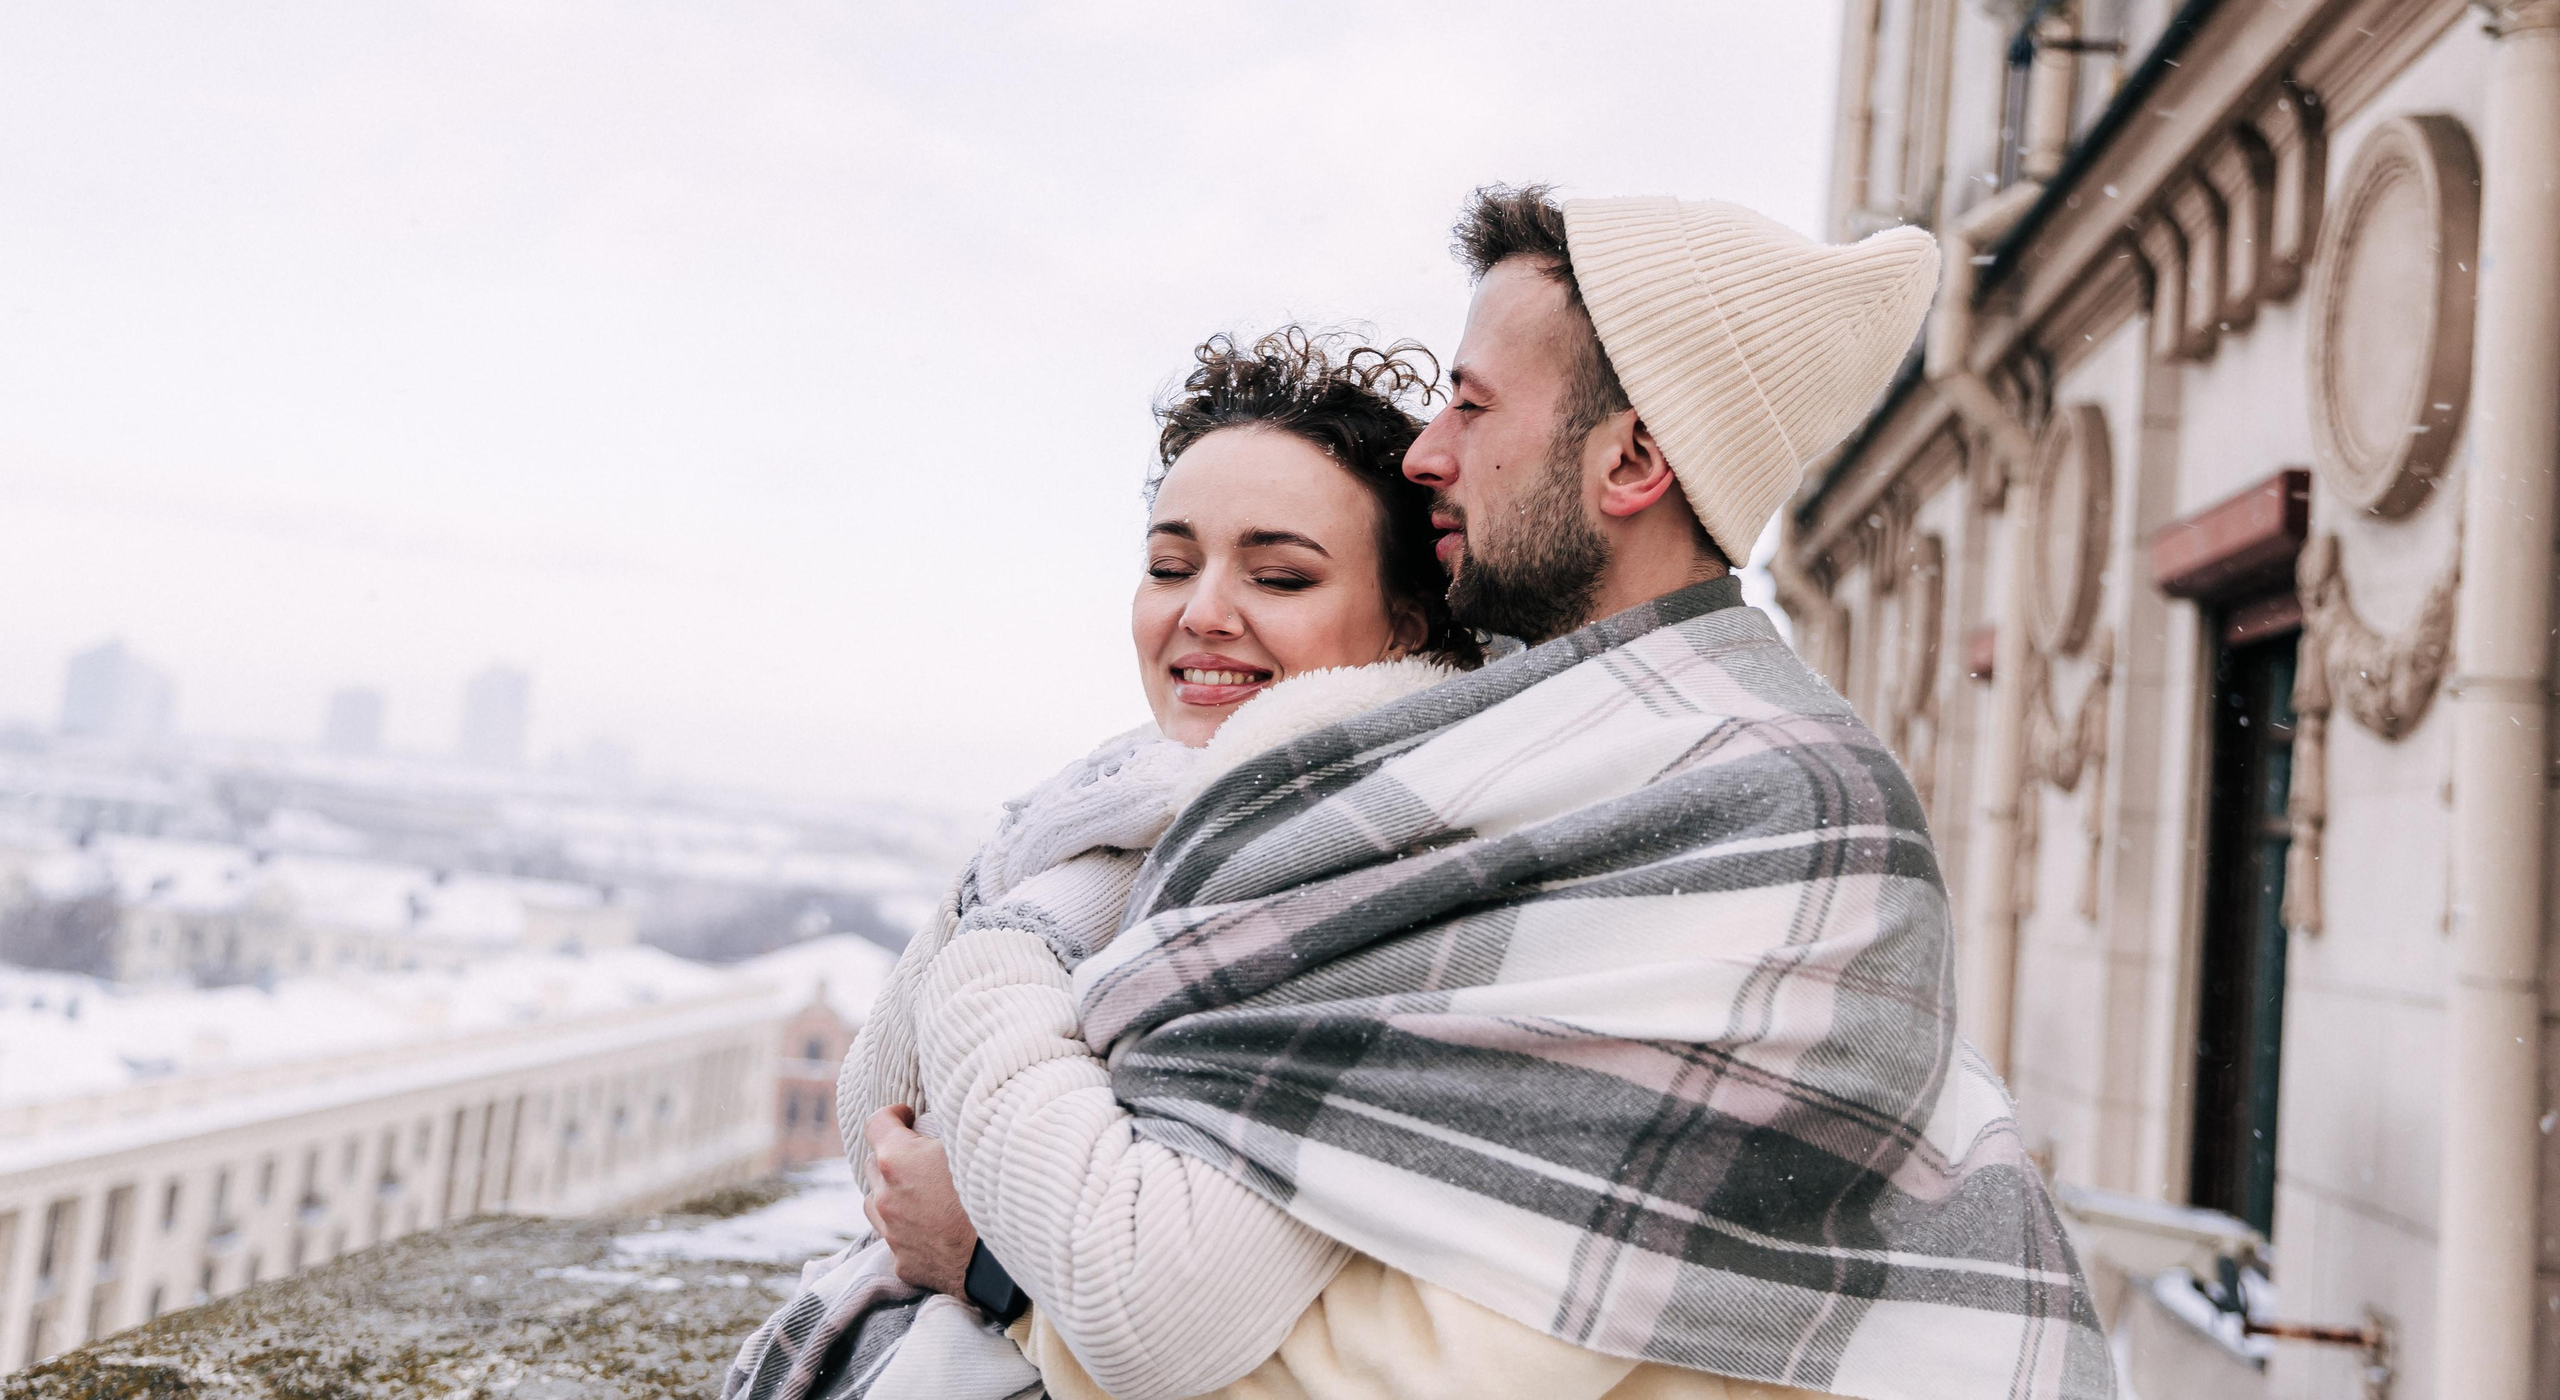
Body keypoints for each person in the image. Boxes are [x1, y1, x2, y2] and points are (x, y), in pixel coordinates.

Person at [868, 186, 2116, 1400]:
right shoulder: (1502, 759)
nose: (1426, 453)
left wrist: (999, 1244)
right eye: (1168, 561)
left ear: (1629, 459)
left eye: (1469, 406)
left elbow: (1331, 1349)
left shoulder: (1762, 804)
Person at [724, 327, 1480, 1400]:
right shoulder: (1110, 810)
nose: (1200, 611)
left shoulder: (1380, 862)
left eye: (1277, 574)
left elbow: (1164, 1305)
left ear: (1407, 623)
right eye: (1170, 564)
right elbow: (881, 1130)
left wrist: (987, 1243)